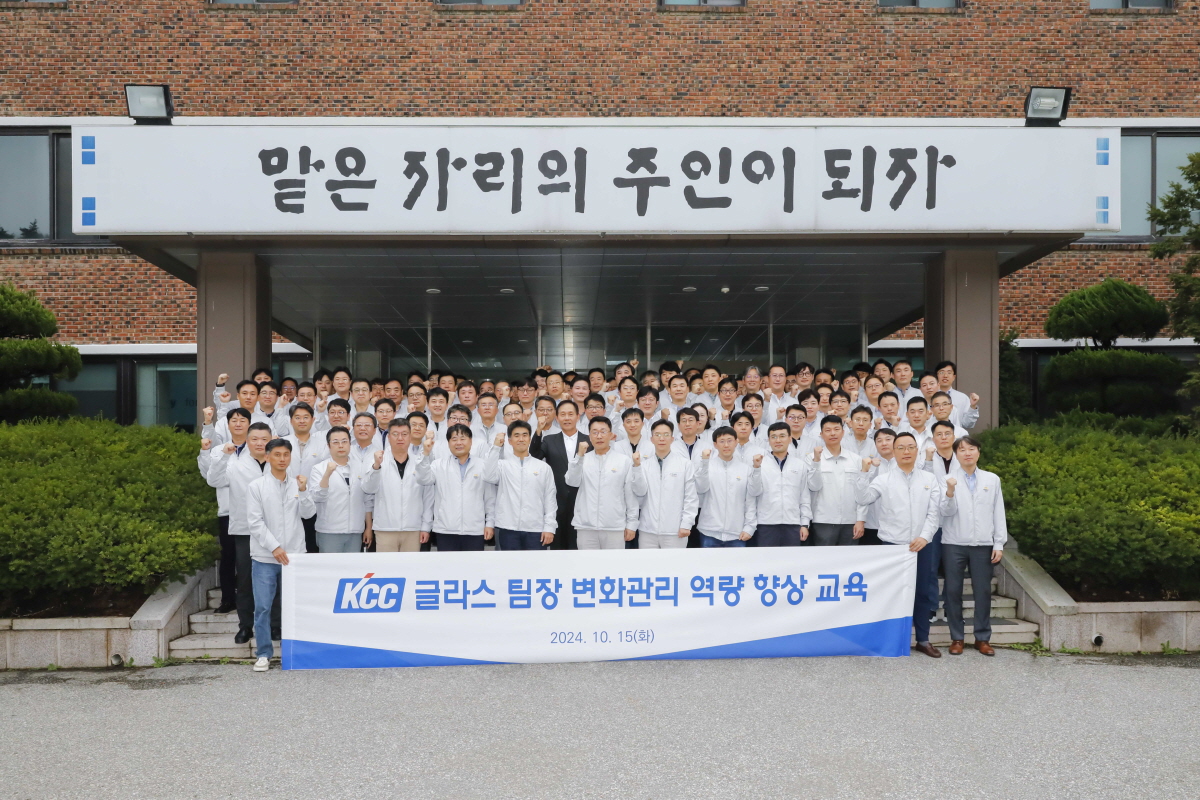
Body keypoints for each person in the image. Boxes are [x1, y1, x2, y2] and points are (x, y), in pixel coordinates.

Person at [854, 432, 956, 658]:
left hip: (922, 545)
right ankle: (889, 640)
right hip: (892, 545)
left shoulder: (929, 479)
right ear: (894, 451)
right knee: (891, 593)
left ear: (917, 451)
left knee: (922, 592)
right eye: (901, 448)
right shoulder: (884, 479)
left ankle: (923, 640)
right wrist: (863, 473)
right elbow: (863, 498)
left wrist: (925, 537)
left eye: (910, 447)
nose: (906, 451)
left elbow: (934, 513)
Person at [246, 438, 314, 672]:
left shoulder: (298, 484)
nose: (282, 459)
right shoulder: (256, 486)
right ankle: (264, 654)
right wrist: (274, 547)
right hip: (265, 557)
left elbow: (308, 514)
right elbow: (255, 522)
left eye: (286, 454)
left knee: (294, 607)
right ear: (267, 457)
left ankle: (294, 652)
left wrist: (303, 491)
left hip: (294, 556)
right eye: (277, 454)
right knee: (263, 607)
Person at [205, 421, 275, 644]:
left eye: (264, 439)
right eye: (254, 439)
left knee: (275, 580)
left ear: (271, 440)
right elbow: (213, 480)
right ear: (247, 440)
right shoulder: (235, 464)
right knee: (244, 580)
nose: (259, 443)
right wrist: (223, 457)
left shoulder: (280, 463)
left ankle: (275, 626)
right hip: (245, 531)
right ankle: (245, 625)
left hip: (275, 532)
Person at [941, 436, 1007, 656]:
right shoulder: (947, 479)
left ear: (978, 451)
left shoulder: (992, 479)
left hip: (983, 543)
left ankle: (982, 638)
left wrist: (999, 542)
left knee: (983, 591)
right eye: (962, 450)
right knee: (952, 591)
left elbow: (998, 512)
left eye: (971, 449)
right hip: (954, 543)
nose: (967, 453)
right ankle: (957, 638)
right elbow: (945, 512)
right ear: (956, 454)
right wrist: (950, 492)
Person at [198, 407, 251, 615]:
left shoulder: (256, 449)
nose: (238, 424)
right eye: (234, 420)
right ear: (227, 425)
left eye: (242, 420)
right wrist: (205, 452)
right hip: (227, 512)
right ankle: (228, 599)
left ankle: (251, 599)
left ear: (249, 424)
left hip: (253, 513)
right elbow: (208, 476)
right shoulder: (218, 450)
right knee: (228, 557)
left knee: (251, 558)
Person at [565, 416, 645, 549]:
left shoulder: (623, 461)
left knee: (613, 563)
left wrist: (631, 524)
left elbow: (630, 495)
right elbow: (571, 481)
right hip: (586, 527)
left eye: (603, 432)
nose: (599, 436)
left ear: (611, 435)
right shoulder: (582, 459)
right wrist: (579, 456)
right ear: (589, 436)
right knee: (586, 562)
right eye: (595, 432)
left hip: (614, 526)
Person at [414, 424, 496, 551]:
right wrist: (425, 453)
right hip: (445, 530)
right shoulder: (438, 465)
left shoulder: (482, 466)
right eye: (454, 439)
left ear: (471, 441)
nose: (459, 443)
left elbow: (490, 499)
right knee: (446, 564)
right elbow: (423, 479)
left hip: (475, 530)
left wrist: (490, 523)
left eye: (463, 438)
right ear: (448, 443)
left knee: (474, 564)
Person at [481, 421, 557, 550]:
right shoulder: (502, 465)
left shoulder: (543, 467)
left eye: (525, 435)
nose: (521, 439)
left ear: (530, 439)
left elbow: (550, 499)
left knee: (535, 563)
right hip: (507, 528)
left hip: (535, 529)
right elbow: (488, 475)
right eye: (516, 435)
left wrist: (549, 527)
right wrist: (496, 447)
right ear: (510, 441)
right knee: (509, 563)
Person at [361, 418, 433, 553]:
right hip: (385, 528)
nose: (400, 438)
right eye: (395, 434)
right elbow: (368, 489)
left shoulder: (419, 462)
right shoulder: (376, 460)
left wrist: (425, 527)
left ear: (410, 437)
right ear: (388, 437)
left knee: (411, 566)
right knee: (386, 566)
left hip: (413, 528)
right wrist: (376, 467)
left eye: (404, 434)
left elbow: (428, 497)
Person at [530, 399, 590, 550]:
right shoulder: (549, 440)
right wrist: (538, 431)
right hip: (557, 501)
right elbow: (535, 456)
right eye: (562, 414)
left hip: (582, 500)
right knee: (558, 549)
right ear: (557, 418)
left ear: (578, 416)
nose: (567, 418)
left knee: (579, 547)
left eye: (570, 414)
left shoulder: (589, 440)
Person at [694, 426, 761, 547]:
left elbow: (750, 500)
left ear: (736, 442)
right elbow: (701, 488)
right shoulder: (707, 467)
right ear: (715, 444)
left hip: (737, 533)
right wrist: (704, 463)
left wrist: (749, 527)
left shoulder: (745, 469)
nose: (726, 445)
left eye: (730, 441)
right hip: (709, 531)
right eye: (722, 441)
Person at [310, 426, 373, 553]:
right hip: (329, 531)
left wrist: (368, 528)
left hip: (355, 531)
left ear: (350, 444)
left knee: (352, 566)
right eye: (335, 442)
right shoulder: (319, 468)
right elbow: (317, 497)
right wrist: (327, 474)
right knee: (329, 566)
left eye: (344, 441)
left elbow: (367, 500)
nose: (340, 445)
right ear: (328, 446)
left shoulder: (360, 468)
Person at [637, 420, 698, 549]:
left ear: (672, 439)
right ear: (651, 439)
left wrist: (686, 524)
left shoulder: (684, 464)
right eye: (657, 435)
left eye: (666, 435)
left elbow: (691, 498)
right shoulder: (643, 466)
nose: (661, 439)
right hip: (648, 531)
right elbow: (638, 494)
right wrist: (635, 468)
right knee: (647, 562)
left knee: (675, 562)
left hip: (675, 531)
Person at [806, 415, 865, 546]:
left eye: (836, 429)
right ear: (821, 434)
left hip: (851, 521)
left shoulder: (855, 459)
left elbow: (862, 492)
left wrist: (861, 519)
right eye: (828, 430)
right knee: (824, 557)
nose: (832, 433)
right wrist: (816, 462)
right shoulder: (812, 458)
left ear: (843, 432)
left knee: (849, 558)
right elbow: (814, 486)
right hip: (823, 521)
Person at [755, 421, 811, 547]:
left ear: (790, 439)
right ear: (768, 440)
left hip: (792, 524)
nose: (778, 440)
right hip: (766, 524)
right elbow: (752, 495)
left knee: (791, 559)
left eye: (782, 436)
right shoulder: (760, 464)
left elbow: (804, 497)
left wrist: (804, 524)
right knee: (766, 558)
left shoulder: (799, 465)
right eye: (774, 437)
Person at [284, 401, 328, 555]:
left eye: (305, 417)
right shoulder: (283, 444)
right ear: (291, 421)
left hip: (314, 503)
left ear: (313, 419)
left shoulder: (323, 444)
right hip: (287, 503)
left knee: (312, 547)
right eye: (297, 417)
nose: (301, 421)